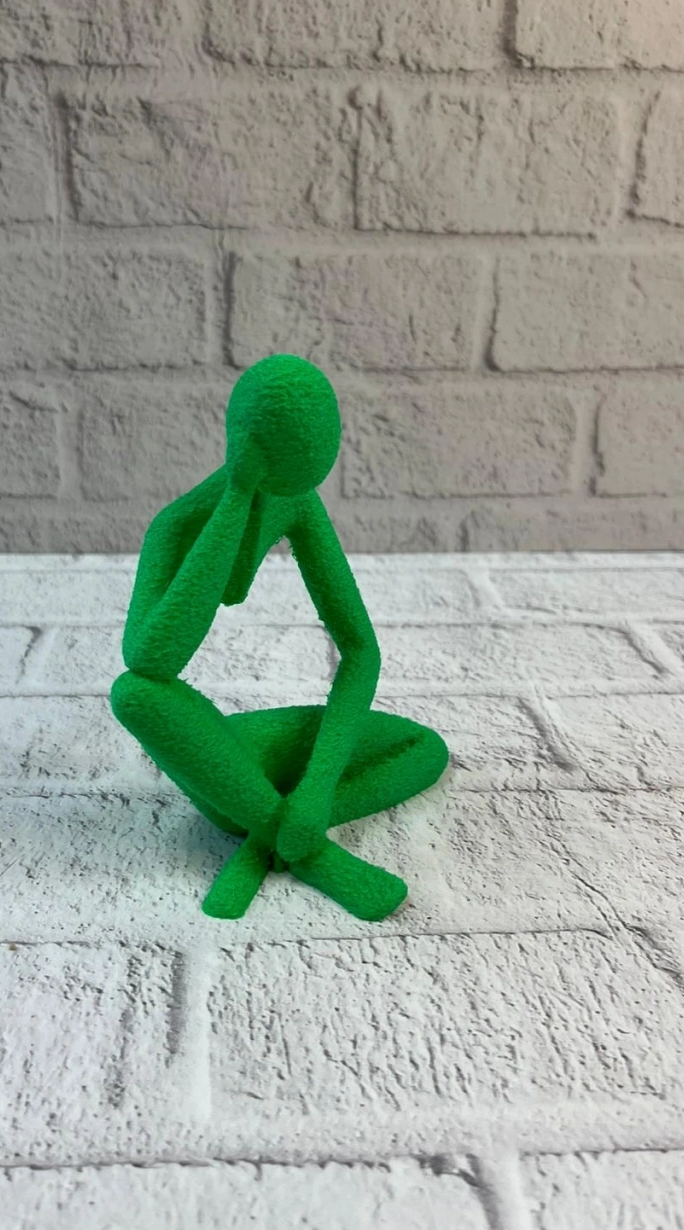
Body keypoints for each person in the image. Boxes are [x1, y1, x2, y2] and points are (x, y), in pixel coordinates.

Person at [111, 354, 448, 920]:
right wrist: (235, 498)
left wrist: (315, 793)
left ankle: (276, 829)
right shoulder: (174, 526)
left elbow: (360, 650)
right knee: (135, 695)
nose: (311, 473)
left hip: (254, 787)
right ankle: (308, 850)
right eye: (295, 457)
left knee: (425, 750)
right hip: (221, 757)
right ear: (246, 443)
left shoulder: (298, 502)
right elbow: (150, 659)